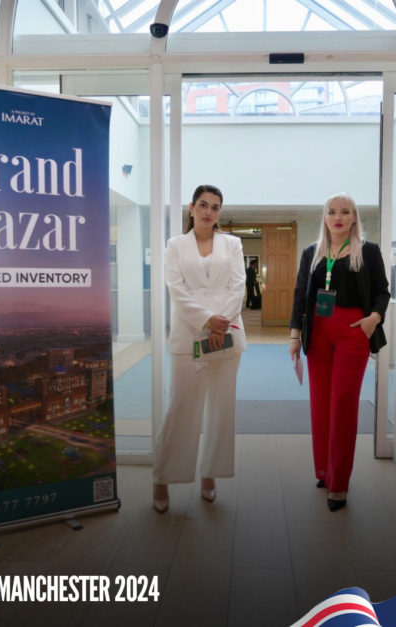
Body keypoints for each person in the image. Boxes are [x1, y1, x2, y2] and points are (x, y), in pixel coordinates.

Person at [288, 193, 390, 511]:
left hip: (352, 332)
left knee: (343, 405)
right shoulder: (312, 253)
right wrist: (294, 335)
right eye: (332, 212)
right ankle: (324, 471)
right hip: (318, 332)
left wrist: (373, 319)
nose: (338, 217)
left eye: (345, 212)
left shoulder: (367, 251)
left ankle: (340, 484)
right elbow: (299, 294)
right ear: (325, 217)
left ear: (354, 217)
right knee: (321, 405)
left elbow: (382, 290)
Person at [152, 184, 247, 513]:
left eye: (216, 207)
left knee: (222, 411)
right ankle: (162, 478)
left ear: (220, 213)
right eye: (203, 205)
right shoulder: (175, 245)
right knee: (181, 409)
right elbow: (175, 289)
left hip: (228, 335)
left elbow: (238, 287)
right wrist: (208, 321)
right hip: (188, 335)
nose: (209, 212)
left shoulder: (232, 244)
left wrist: (221, 323)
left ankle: (210, 474)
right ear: (191, 208)